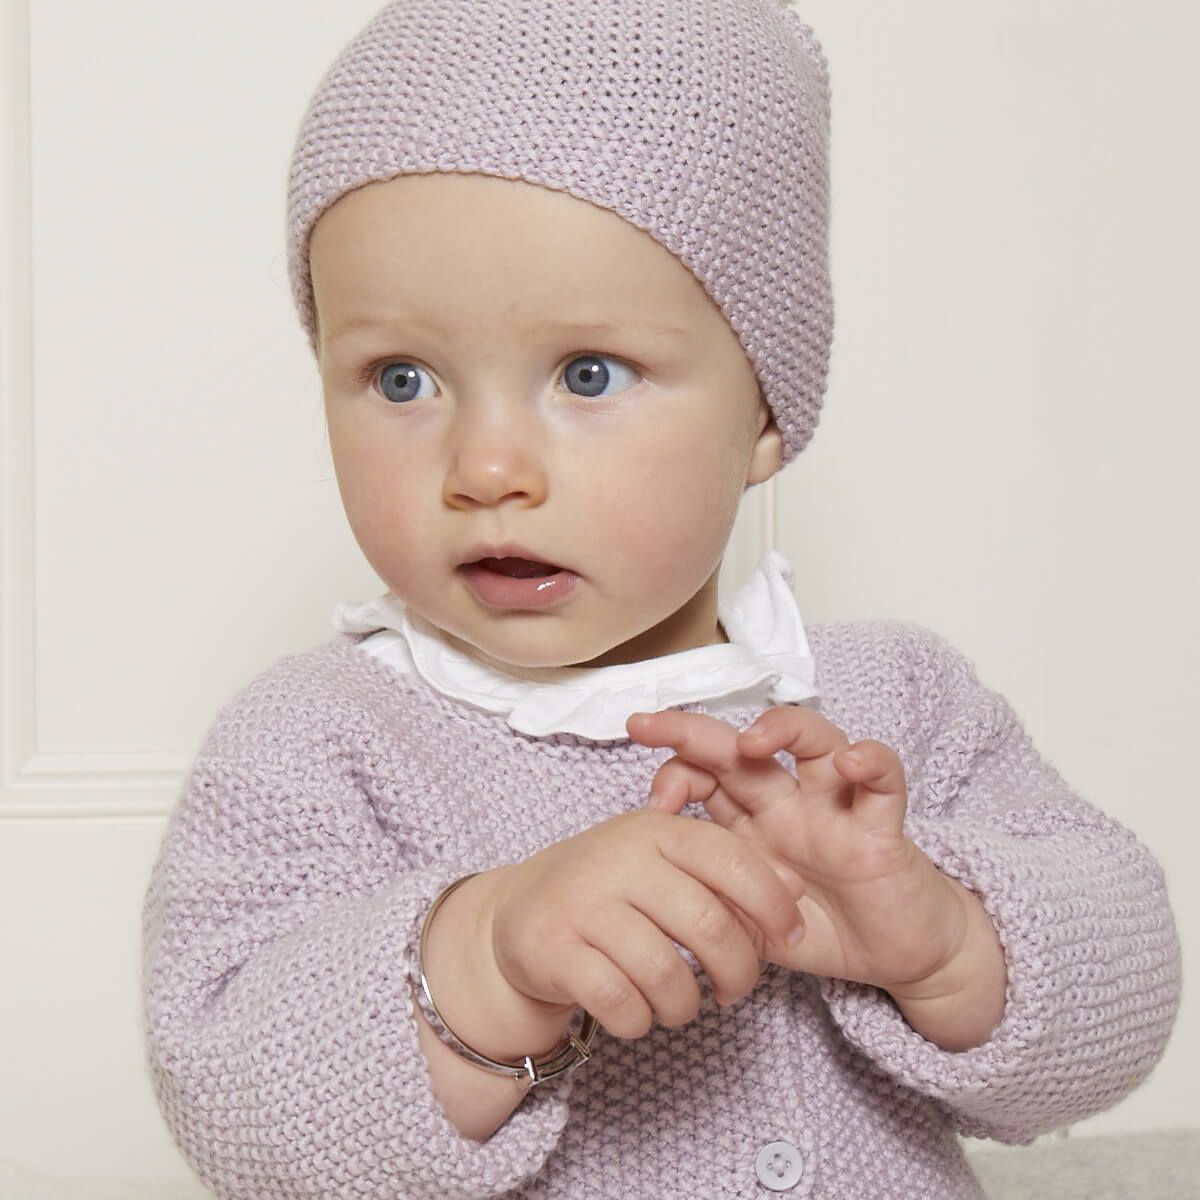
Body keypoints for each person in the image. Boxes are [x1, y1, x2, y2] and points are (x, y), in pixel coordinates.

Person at [140, 1, 1182, 1197]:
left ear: (766, 414)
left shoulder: (893, 706)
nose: (484, 470)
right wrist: (488, 958)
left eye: (589, 374)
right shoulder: (314, 746)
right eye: (401, 377)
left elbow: (1125, 995)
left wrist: (942, 937)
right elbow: (230, 1111)